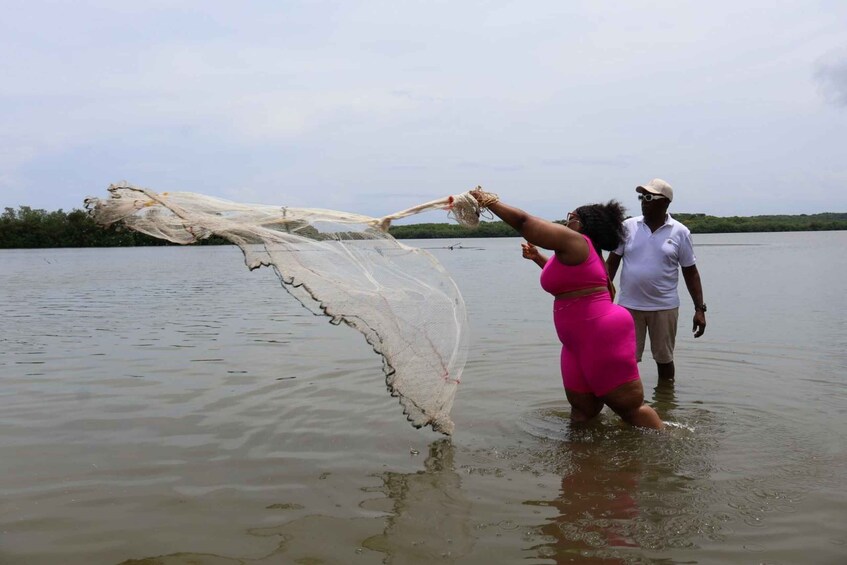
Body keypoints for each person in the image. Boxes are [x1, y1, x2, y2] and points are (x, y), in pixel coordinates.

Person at [470, 188, 663, 429]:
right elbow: (570, 283)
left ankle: (666, 452)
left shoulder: (578, 242)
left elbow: (524, 222)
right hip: (575, 343)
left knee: (630, 409)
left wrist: (490, 202)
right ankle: (582, 462)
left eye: (570, 216)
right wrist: (538, 258)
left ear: (582, 225)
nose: (565, 221)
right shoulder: (581, 253)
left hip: (599, 335)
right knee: (583, 412)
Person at [605, 178, 706, 382]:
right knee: (625, 360)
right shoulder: (627, 227)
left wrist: (699, 309)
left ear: (665, 202)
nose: (644, 201)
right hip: (628, 308)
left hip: (664, 308)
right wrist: (602, 296)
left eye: (650, 197)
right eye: (642, 196)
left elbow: (690, 272)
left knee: (665, 359)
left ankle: (665, 404)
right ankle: (630, 406)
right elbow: (612, 263)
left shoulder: (680, 232)